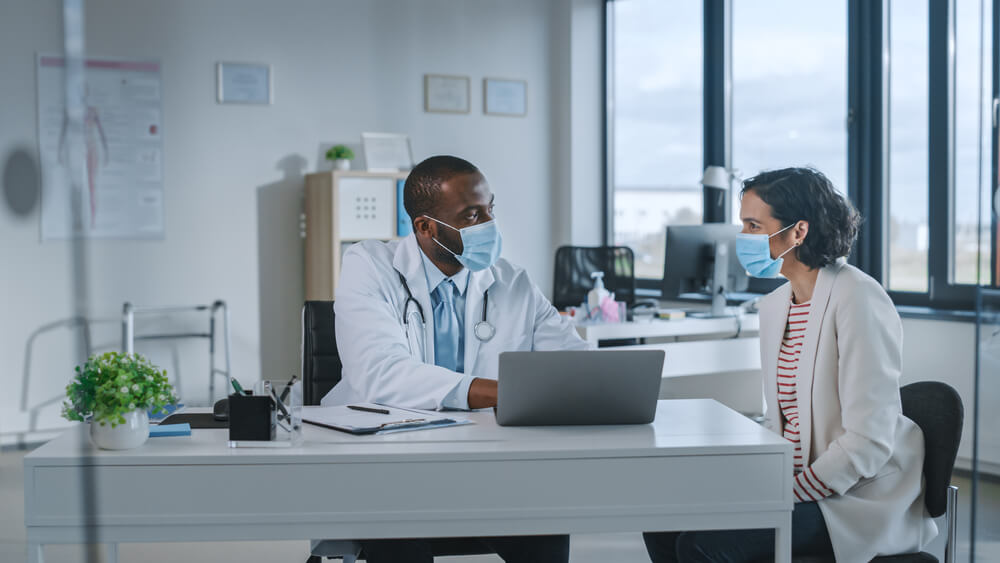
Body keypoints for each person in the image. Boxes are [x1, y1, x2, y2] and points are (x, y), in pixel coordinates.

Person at [643, 167, 937, 562]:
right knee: (662, 516)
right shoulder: (775, 305)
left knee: (701, 544)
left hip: (853, 499)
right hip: (796, 483)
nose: (743, 238)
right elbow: (780, 422)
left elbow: (868, 441)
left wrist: (785, 493)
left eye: (753, 225)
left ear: (798, 231)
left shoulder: (858, 297)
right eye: (742, 225)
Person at [324, 155, 591, 563]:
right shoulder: (370, 266)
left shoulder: (511, 281)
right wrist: (510, 392)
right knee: (397, 532)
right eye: (471, 215)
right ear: (425, 227)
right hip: (390, 464)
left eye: (489, 209)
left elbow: (576, 368)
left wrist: (594, 385)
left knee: (545, 522)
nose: (489, 224)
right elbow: (382, 374)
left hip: (487, 463)